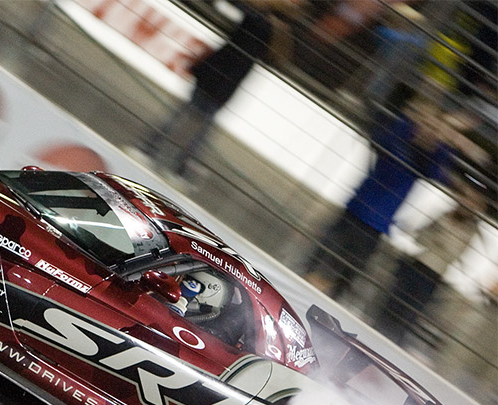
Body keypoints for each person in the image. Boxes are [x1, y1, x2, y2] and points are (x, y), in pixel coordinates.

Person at [303, 86, 455, 299]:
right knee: (318, 262)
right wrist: (410, 119)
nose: (428, 130)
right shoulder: (397, 139)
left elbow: (439, 168)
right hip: (354, 212)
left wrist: (443, 139)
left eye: (434, 128)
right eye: (424, 123)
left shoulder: (426, 162)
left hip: (376, 228)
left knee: (345, 279)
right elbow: (385, 137)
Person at [141, 0, 302, 176]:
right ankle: (171, 162)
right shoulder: (264, 22)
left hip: (218, 76)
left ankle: (155, 152)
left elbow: (276, 55)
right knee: (196, 124)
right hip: (221, 78)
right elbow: (276, 56)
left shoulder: (268, 25)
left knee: (189, 119)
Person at [373, 153, 494, 344]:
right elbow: (421, 236)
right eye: (466, 198)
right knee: (390, 305)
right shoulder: (445, 214)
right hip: (416, 264)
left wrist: (438, 239)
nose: (467, 203)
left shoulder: (471, 230)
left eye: (473, 202)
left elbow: (452, 251)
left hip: (433, 276)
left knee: (406, 316)